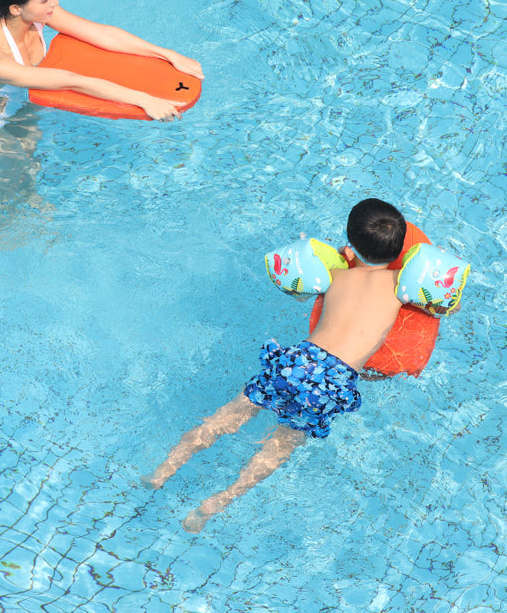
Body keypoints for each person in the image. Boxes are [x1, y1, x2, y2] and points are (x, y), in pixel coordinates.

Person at [143, 198, 408, 532]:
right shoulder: (402, 286)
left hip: (298, 360)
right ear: (399, 252)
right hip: (333, 380)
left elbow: (302, 289)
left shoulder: (336, 275)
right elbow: (442, 305)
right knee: (281, 444)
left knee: (232, 413)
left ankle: (163, 471)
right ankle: (219, 500)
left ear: (349, 246)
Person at [0, 0, 203, 127]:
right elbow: (72, 81)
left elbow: (101, 34)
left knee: (31, 176)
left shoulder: (38, 15)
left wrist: (168, 54)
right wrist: (145, 99)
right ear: (16, 8)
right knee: (9, 185)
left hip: (27, 107)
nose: (55, 3)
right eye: (45, 0)